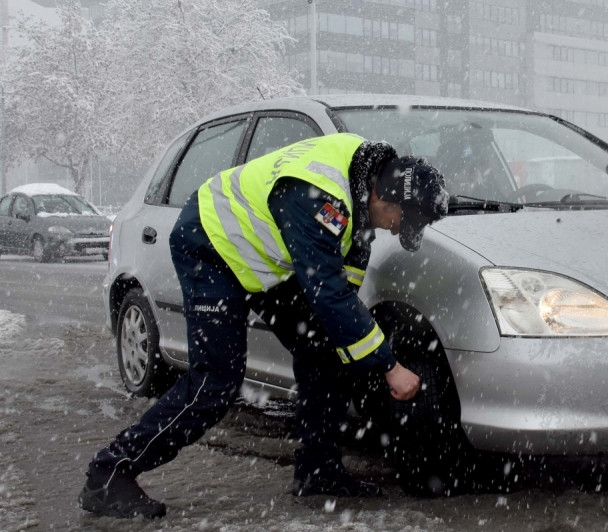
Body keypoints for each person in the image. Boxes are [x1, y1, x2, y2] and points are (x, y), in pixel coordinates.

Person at [79, 133, 449, 519]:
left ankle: (317, 471)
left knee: (323, 346)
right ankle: (110, 472)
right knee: (216, 382)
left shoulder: (362, 184)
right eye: (400, 221)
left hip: (261, 256)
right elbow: (330, 296)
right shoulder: (321, 196)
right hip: (211, 241)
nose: (393, 230)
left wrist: (361, 356)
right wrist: (390, 367)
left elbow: (343, 297)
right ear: (384, 197)